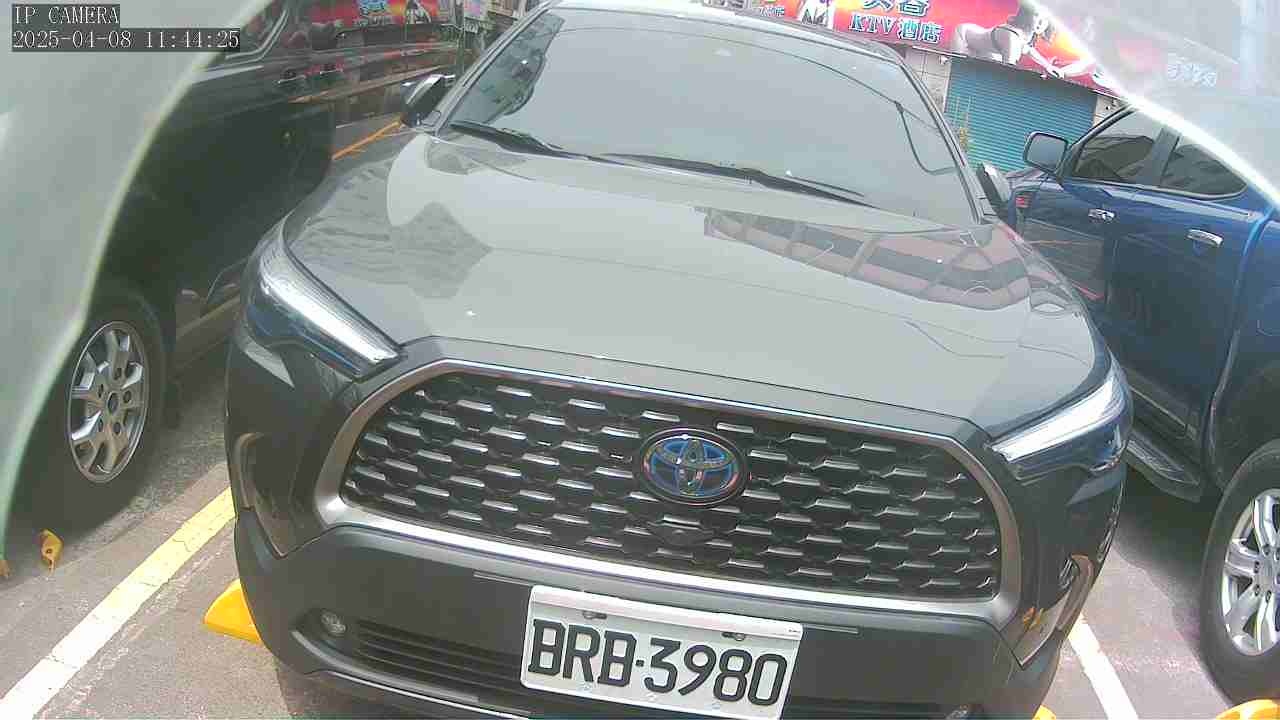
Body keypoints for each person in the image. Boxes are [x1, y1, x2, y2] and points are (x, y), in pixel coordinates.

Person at [950, 0, 1065, 78]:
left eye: (1045, 19)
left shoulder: (1024, 37)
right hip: (964, 36)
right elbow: (1008, 71)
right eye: (1036, 15)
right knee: (958, 71)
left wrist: (1048, 66)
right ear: (1026, 15)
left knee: (989, 68)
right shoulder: (1011, 37)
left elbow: (1028, 50)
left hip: (988, 49)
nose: (1041, 23)